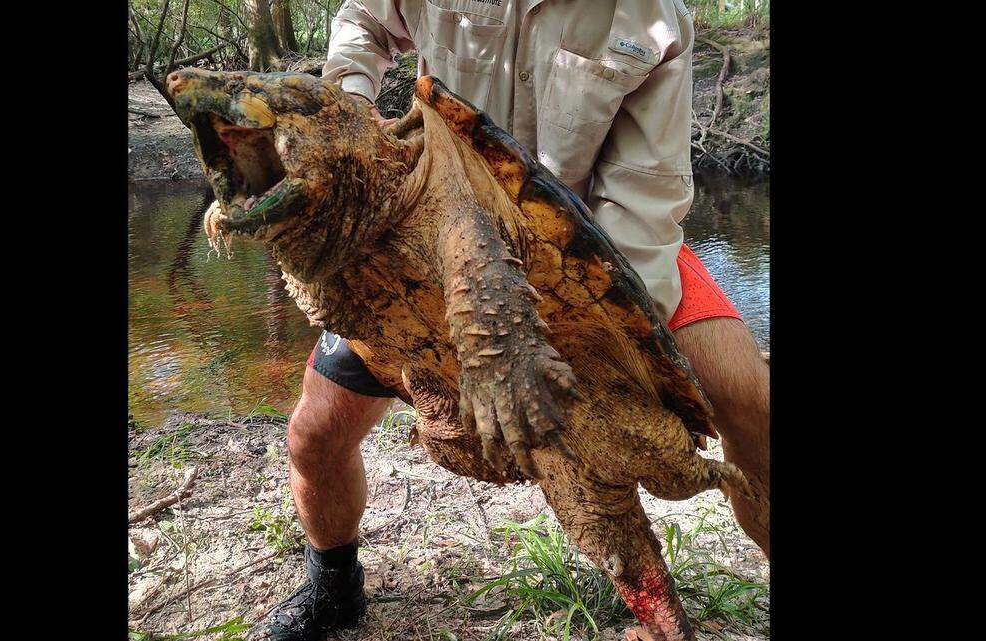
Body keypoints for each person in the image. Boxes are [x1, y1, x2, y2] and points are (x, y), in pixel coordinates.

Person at [264, 2, 769, 639]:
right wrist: (352, 107)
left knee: (753, 404)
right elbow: (361, 20)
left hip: (589, 240)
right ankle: (333, 584)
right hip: (428, 227)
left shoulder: (649, 17)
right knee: (315, 434)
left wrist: (595, 338)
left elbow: (644, 194)